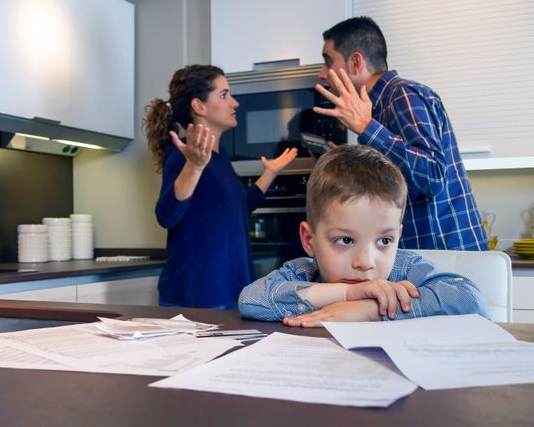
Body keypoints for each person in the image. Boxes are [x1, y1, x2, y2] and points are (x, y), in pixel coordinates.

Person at [238, 144, 490, 326]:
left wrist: (370, 310)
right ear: (309, 240)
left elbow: (471, 300)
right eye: (345, 240)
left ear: (398, 238)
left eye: (384, 241)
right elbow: (250, 300)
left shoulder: (404, 269)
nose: (365, 262)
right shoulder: (303, 271)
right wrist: (346, 295)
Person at [313, 16, 487, 251]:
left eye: (328, 61)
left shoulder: (401, 95)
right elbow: (396, 184)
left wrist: (367, 128)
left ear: (355, 63)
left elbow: (433, 176)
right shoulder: (375, 108)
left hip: (446, 256)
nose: (322, 73)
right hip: (423, 256)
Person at [144, 64, 298, 309]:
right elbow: (166, 214)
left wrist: (270, 173)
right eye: (224, 95)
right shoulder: (183, 155)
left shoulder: (220, 157)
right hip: (198, 298)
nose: (234, 103)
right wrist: (194, 166)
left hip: (230, 292)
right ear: (199, 106)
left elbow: (236, 209)